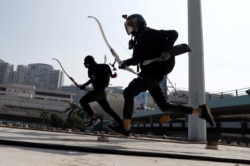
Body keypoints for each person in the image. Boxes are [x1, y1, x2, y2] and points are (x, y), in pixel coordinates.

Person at [107, 14, 215, 136]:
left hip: (152, 74)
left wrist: (166, 51)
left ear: (139, 23)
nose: (130, 28)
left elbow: (173, 33)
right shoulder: (137, 41)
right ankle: (200, 112)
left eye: (131, 24)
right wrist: (125, 63)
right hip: (151, 76)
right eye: (128, 26)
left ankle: (125, 128)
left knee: (128, 92)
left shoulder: (149, 33)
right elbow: (137, 59)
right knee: (164, 107)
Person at [76, 55, 123, 128]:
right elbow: (112, 76)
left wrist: (83, 85)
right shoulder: (105, 66)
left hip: (97, 92)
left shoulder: (91, 69)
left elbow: (92, 79)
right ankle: (123, 124)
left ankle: (94, 119)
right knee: (109, 111)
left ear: (88, 63)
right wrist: (83, 85)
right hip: (102, 93)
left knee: (83, 101)